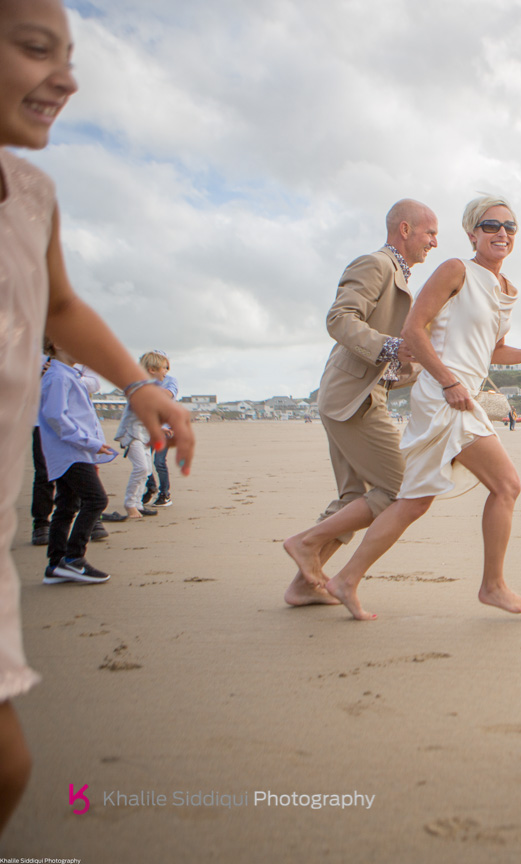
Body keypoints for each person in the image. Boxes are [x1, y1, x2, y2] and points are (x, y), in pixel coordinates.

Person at [0, 0, 196, 835]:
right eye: (36, 49)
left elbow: (65, 302)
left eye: (70, 54)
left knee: (9, 764)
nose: (67, 78)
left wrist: (137, 385)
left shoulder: (31, 192)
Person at [325, 195, 521, 620]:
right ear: (472, 233)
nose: (502, 233)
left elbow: (493, 350)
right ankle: (493, 586)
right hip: (445, 393)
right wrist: (448, 381)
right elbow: (413, 329)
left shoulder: (505, 289)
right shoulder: (456, 270)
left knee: (413, 501)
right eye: (490, 225)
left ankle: (345, 578)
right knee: (507, 485)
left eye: (510, 227)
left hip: (461, 392)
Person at [280, 199, 438, 606]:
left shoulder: (401, 277)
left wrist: (418, 364)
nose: (434, 243)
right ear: (404, 230)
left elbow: (400, 357)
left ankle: (302, 586)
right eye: (430, 233)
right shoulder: (375, 264)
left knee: (353, 498)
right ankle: (306, 542)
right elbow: (340, 319)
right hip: (354, 399)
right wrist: (392, 346)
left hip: (356, 395)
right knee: (401, 489)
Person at [37, 338, 113, 585]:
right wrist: (89, 443)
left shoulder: (66, 374)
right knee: (96, 499)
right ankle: (73, 559)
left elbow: (80, 415)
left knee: (67, 505)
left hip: (73, 451)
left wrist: (93, 445)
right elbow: (55, 416)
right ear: (57, 344)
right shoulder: (58, 376)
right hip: (71, 452)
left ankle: (56, 564)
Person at [103, 351, 170, 521]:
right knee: (141, 468)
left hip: (144, 435)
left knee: (146, 470)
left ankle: (138, 503)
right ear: (152, 369)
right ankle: (130, 504)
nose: (166, 372)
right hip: (132, 434)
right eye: (164, 368)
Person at [142, 351, 178, 507]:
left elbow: (168, 395)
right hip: (147, 428)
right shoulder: (142, 382)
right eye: (163, 367)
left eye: (166, 366)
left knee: (159, 462)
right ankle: (150, 487)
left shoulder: (170, 381)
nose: (166, 370)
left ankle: (165, 493)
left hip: (166, 427)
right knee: (144, 462)